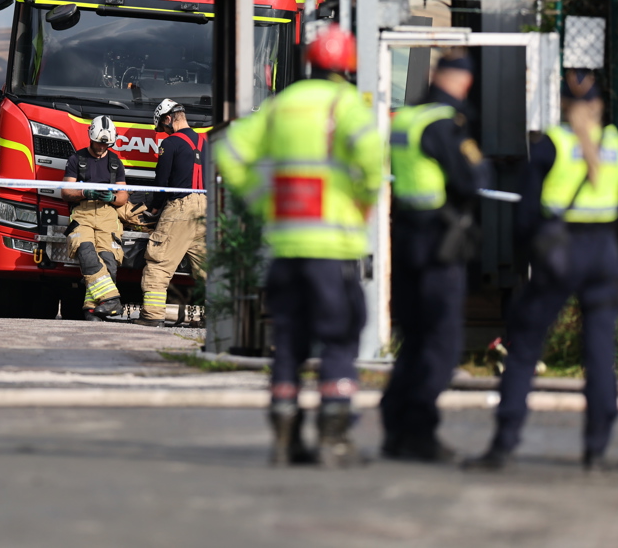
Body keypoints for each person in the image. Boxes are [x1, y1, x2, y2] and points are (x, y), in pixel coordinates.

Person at [215, 25, 383, 468]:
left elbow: (228, 150)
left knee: (289, 341)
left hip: (286, 246)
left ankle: (285, 440)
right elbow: (370, 155)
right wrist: (364, 199)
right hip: (335, 250)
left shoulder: (281, 105)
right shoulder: (346, 105)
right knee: (340, 337)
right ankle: (334, 439)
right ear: (348, 68)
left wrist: (261, 199)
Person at [465, 70, 618, 471]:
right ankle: (597, 448)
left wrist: (526, 261)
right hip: (605, 251)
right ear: (600, 106)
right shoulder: (616, 144)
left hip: (560, 252)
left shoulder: (551, 145)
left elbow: (524, 215)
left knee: (523, 349)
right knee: (600, 352)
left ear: (562, 105)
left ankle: (504, 443)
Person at [379, 50, 488, 463]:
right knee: (442, 342)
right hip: (440, 243)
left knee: (414, 340)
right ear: (461, 82)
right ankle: (419, 433)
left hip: (407, 237)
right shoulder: (445, 124)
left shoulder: (407, 119)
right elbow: (472, 178)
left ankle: (396, 427)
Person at [134, 98, 207, 328]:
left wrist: (154, 208)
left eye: (162, 128)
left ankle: (153, 315)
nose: (163, 132)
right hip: (207, 207)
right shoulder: (208, 143)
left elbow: (162, 182)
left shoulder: (171, 143)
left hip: (180, 208)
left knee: (159, 261)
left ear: (168, 119)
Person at [62, 115, 128, 320]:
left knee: (109, 261)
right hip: (83, 212)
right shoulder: (76, 160)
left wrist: (112, 197)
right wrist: (85, 193)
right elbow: (65, 191)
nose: (102, 147)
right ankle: (111, 299)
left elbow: (123, 196)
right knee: (86, 251)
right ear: (91, 137)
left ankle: (92, 309)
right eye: (99, 143)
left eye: (106, 144)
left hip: (108, 214)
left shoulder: (115, 163)